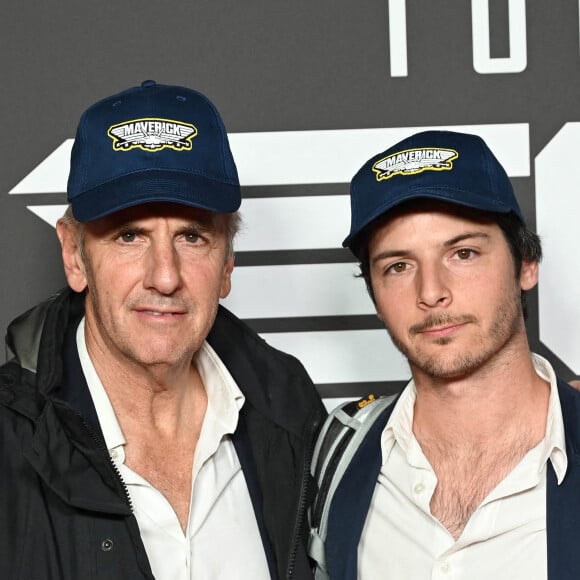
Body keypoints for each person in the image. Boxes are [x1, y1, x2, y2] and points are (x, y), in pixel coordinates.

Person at [0, 80, 326, 580]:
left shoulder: (289, 410)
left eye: (192, 237)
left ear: (227, 262)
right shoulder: (11, 439)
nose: (166, 276)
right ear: (74, 255)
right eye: (130, 236)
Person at [316, 130, 580, 579]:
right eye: (398, 266)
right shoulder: (338, 451)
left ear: (527, 264)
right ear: (373, 293)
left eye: (463, 253)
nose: (431, 292)